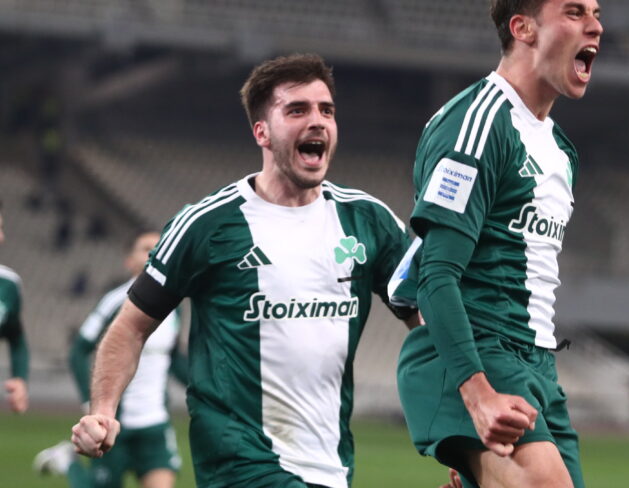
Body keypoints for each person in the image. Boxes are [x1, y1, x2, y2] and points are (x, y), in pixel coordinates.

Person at [71, 54, 420, 488]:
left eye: (326, 110)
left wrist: (463, 429)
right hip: (238, 462)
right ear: (262, 132)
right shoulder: (207, 224)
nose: (317, 121)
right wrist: (103, 410)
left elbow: (427, 319)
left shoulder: (369, 220)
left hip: (331, 465)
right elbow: (130, 326)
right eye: (297, 110)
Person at [393, 0, 602, 488]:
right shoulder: (479, 124)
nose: (595, 27)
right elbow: (435, 274)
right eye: (574, 12)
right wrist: (477, 394)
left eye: (595, 14)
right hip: (477, 355)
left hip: (537, 367)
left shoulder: (560, 150)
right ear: (523, 28)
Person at [35, 230, 187, 488]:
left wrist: (204, 389)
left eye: (159, 247)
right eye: (145, 248)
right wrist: (92, 405)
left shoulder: (174, 306)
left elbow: (173, 359)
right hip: (115, 423)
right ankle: (69, 462)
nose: (154, 252)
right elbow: (78, 351)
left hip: (155, 424)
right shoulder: (116, 301)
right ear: (128, 261)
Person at [0, 199, 30, 413]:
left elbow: (16, 337)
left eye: (1, 228)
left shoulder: (8, 284)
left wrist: (19, 378)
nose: (1, 237)